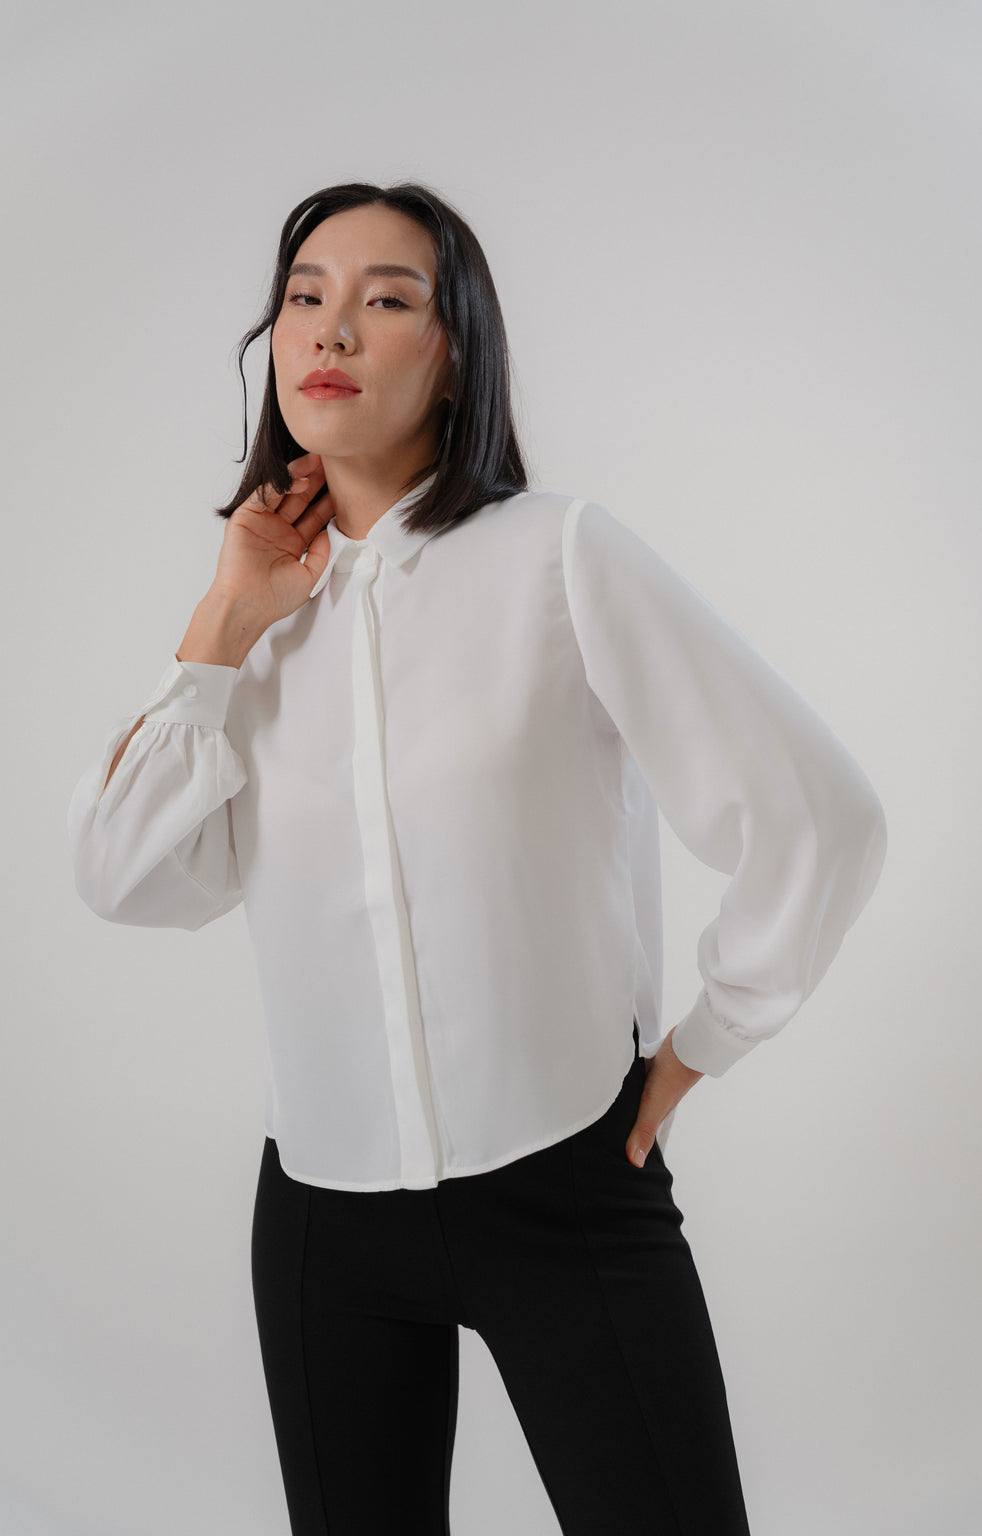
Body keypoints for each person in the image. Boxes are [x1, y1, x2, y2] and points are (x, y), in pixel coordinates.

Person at [68, 179, 887, 1536]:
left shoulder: (558, 555)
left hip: (565, 1182)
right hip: (323, 1217)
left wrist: (706, 1042)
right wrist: (220, 623)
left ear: (455, 355)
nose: (333, 329)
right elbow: (124, 876)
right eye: (305, 296)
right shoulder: (255, 618)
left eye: (387, 299)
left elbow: (818, 810)